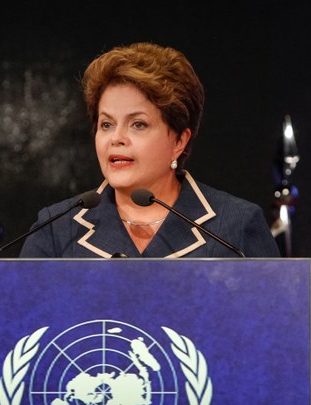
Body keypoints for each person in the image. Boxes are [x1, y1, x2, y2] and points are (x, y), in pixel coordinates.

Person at [19, 42, 279, 258]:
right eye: (107, 124)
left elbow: (275, 318)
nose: (117, 138)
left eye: (138, 124)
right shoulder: (56, 231)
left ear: (179, 141)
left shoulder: (235, 228)